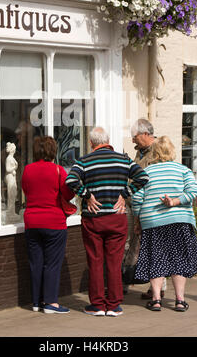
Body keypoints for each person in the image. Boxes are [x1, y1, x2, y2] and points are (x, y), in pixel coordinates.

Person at [65, 127, 149, 317]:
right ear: (108, 140)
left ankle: (96, 305)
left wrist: (86, 196)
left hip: (93, 218)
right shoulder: (124, 159)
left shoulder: (84, 161)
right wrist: (124, 194)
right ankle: (113, 305)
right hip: (117, 218)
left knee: (95, 261)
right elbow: (143, 177)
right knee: (114, 261)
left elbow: (70, 180)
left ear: (91, 143)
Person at [131, 136, 197, 312]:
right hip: (179, 221)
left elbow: (137, 199)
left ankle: (155, 300)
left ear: (154, 153)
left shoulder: (145, 173)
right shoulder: (183, 170)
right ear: (172, 151)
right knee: (179, 259)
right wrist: (176, 202)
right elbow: (194, 191)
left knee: (156, 258)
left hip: (152, 222)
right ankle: (180, 300)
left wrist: (138, 221)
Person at [21, 136, 74, 314]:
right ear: (53, 151)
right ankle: (51, 303)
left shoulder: (27, 170)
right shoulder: (59, 171)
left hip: (32, 221)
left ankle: (36, 302)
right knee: (52, 263)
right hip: (54, 222)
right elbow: (68, 195)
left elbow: (26, 190)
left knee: (36, 263)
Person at [123, 118, 167, 299]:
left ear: (146, 134)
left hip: (151, 206)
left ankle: (158, 288)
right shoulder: (140, 152)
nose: (132, 140)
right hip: (133, 204)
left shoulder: (158, 152)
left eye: (135, 137)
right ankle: (125, 283)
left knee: (153, 246)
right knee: (129, 244)